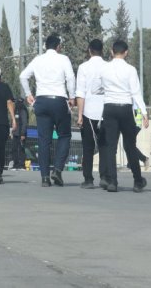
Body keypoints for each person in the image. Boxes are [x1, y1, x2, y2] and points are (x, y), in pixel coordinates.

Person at [19, 34, 76, 187]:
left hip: (42, 100)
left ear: (45, 46)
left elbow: (23, 76)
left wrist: (28, 94)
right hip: (59, 100)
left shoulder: (38, 59)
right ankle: (57, 169)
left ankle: (45, 177)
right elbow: (70, 78)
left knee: (43, 139)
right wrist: (72, 97)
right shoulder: (63, 59)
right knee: (64, 135)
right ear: (58, 46)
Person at [99, 40, 149, 193]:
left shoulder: (104, 69)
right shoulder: (130, 70)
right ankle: (137, 180)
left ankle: (112, 181)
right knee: (130, 145)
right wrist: (144, 113)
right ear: (126, 52)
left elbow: (99, 87)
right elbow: (136, 93)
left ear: (111, 52)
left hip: (109, 107)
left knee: (111, 146)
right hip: (125, 108)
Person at [76, 39, 109, 189]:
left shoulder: (83, 68)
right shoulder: (108, 67)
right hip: (105, 112)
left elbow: (80, 93)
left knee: (88, 148)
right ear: (102, 50)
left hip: (88, 112)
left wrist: (80, 115)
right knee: (104, 146)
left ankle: (88, 179)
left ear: (89, 51)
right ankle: (104, 176)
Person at [10, 98, 29, 170]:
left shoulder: (23, 110)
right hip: (15, 133)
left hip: (21, 134)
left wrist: (23, 134)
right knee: (14, 149)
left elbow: (24, 123)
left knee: (21, 150)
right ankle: (16, 164)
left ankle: (22, 165)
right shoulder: (15, 111)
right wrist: (12, 132)